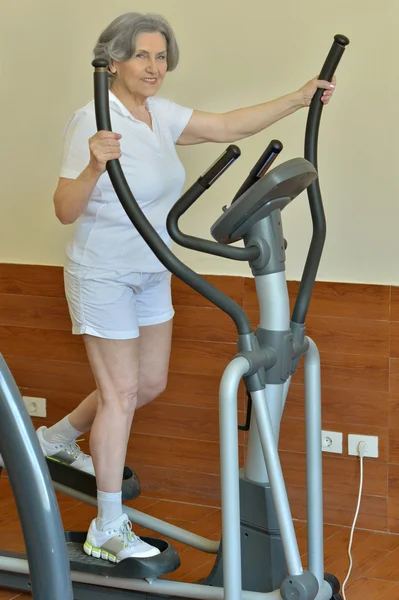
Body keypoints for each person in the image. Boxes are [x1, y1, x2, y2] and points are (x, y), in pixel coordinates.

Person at [3, 12, 337, 562]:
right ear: (113, 61)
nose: (154, 67)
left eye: (160, 56)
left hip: (152, 269)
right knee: (121, 395)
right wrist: (91, 166)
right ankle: (106, 528)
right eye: (142, 56)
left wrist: (300, 97)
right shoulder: (92, 119)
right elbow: (64, 210)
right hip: (103, 272)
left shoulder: (158, 115)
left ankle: (56, 439)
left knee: (149, 383)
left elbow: (229, 126)